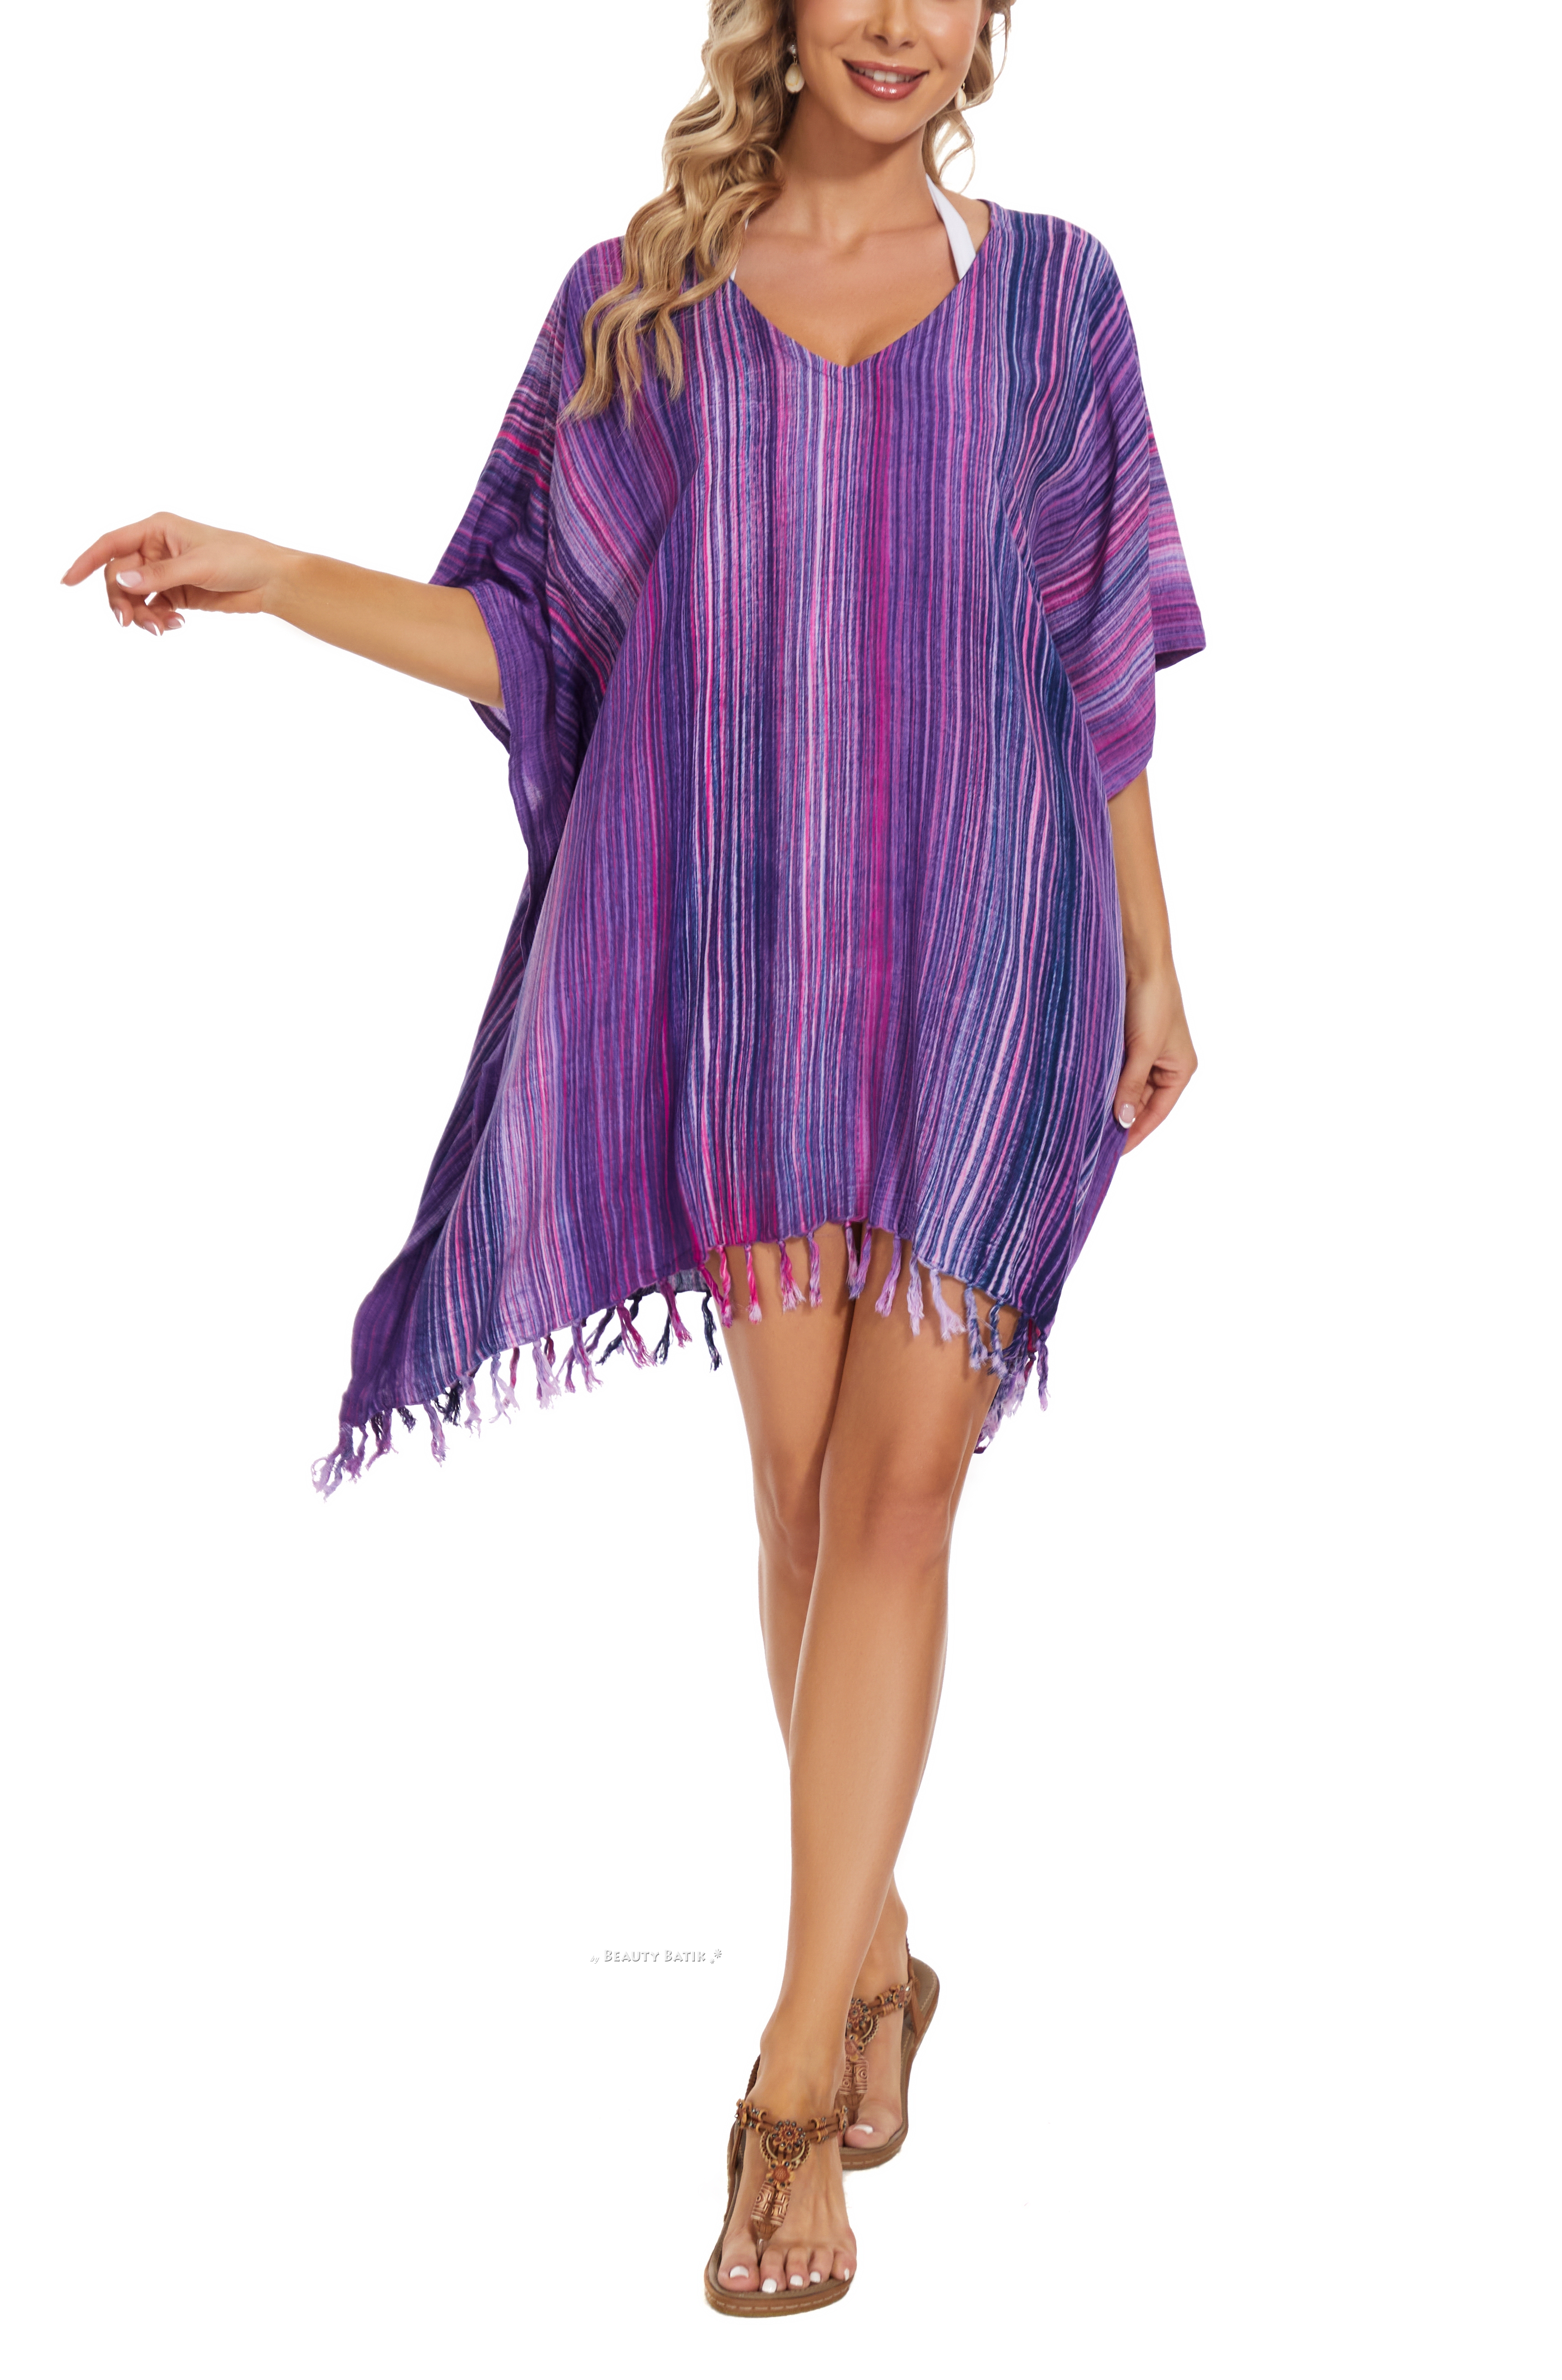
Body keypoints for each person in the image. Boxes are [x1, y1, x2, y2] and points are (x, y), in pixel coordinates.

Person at [62, 0, 1205, 2318]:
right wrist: (275, 571)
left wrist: (1154, 959)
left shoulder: (1061, 297)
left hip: (997, 953)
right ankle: (871, 1949)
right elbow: (529, 634)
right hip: (741, 968)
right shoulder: (640, 306)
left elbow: (1100, 663)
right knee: (797, 1508)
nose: (898, 23)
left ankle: (786, 2087)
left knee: (898, 1498)